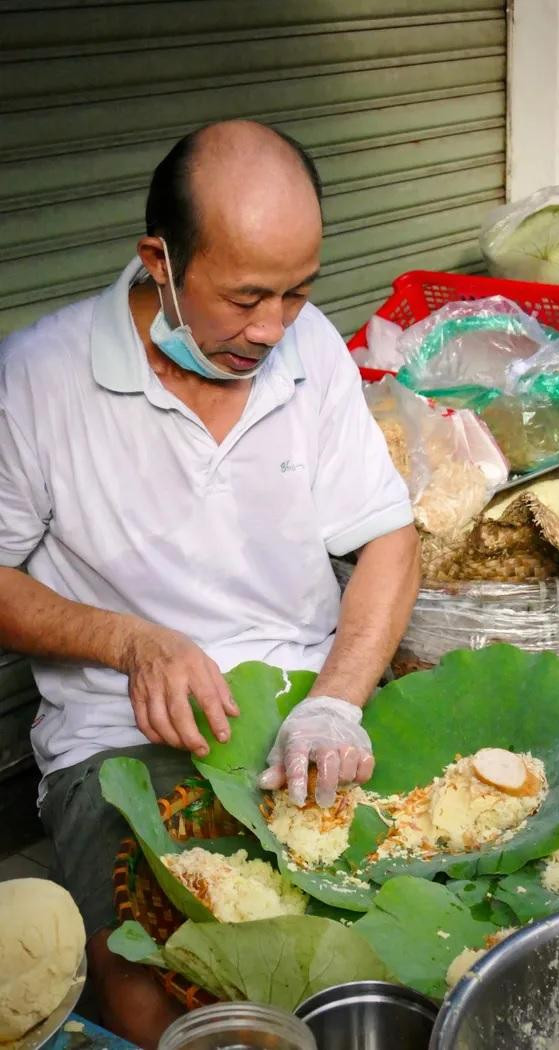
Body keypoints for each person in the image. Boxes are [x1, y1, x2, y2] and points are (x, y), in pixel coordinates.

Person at [0, 121, 420, 1046]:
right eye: (245, 298)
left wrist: (339, 703)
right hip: (126, 735)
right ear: (158, 259)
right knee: (154, 980)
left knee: (406, 938)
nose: (273, 329)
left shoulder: (306, 350)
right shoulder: (36, 379)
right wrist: (131, 641)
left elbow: (390, 542)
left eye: (298, 292)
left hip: (309, 710)